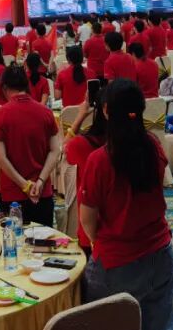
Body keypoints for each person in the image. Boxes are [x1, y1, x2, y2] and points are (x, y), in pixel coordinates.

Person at [79, 79, 173, 330]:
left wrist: (102, 242)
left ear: (106, 110)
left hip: (117, 262)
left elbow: (87, 220)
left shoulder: (100, 160)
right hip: (160, 252)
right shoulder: (153, 146)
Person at [0, 65, 61, 226]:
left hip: (13, 193)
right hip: (42, 191)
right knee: (44, 239)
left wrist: (25, 186)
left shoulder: (0, 115)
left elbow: (1, 157)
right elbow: (55, 151)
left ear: (4, 88)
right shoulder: (45, 112)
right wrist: (40, 181)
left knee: (14, 239)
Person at [64, 95, 107, 257]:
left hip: (92, 230)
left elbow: (63, 150)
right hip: (134, 236)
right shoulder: (148, 145)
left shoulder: (82, 146)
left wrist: (81, 115)